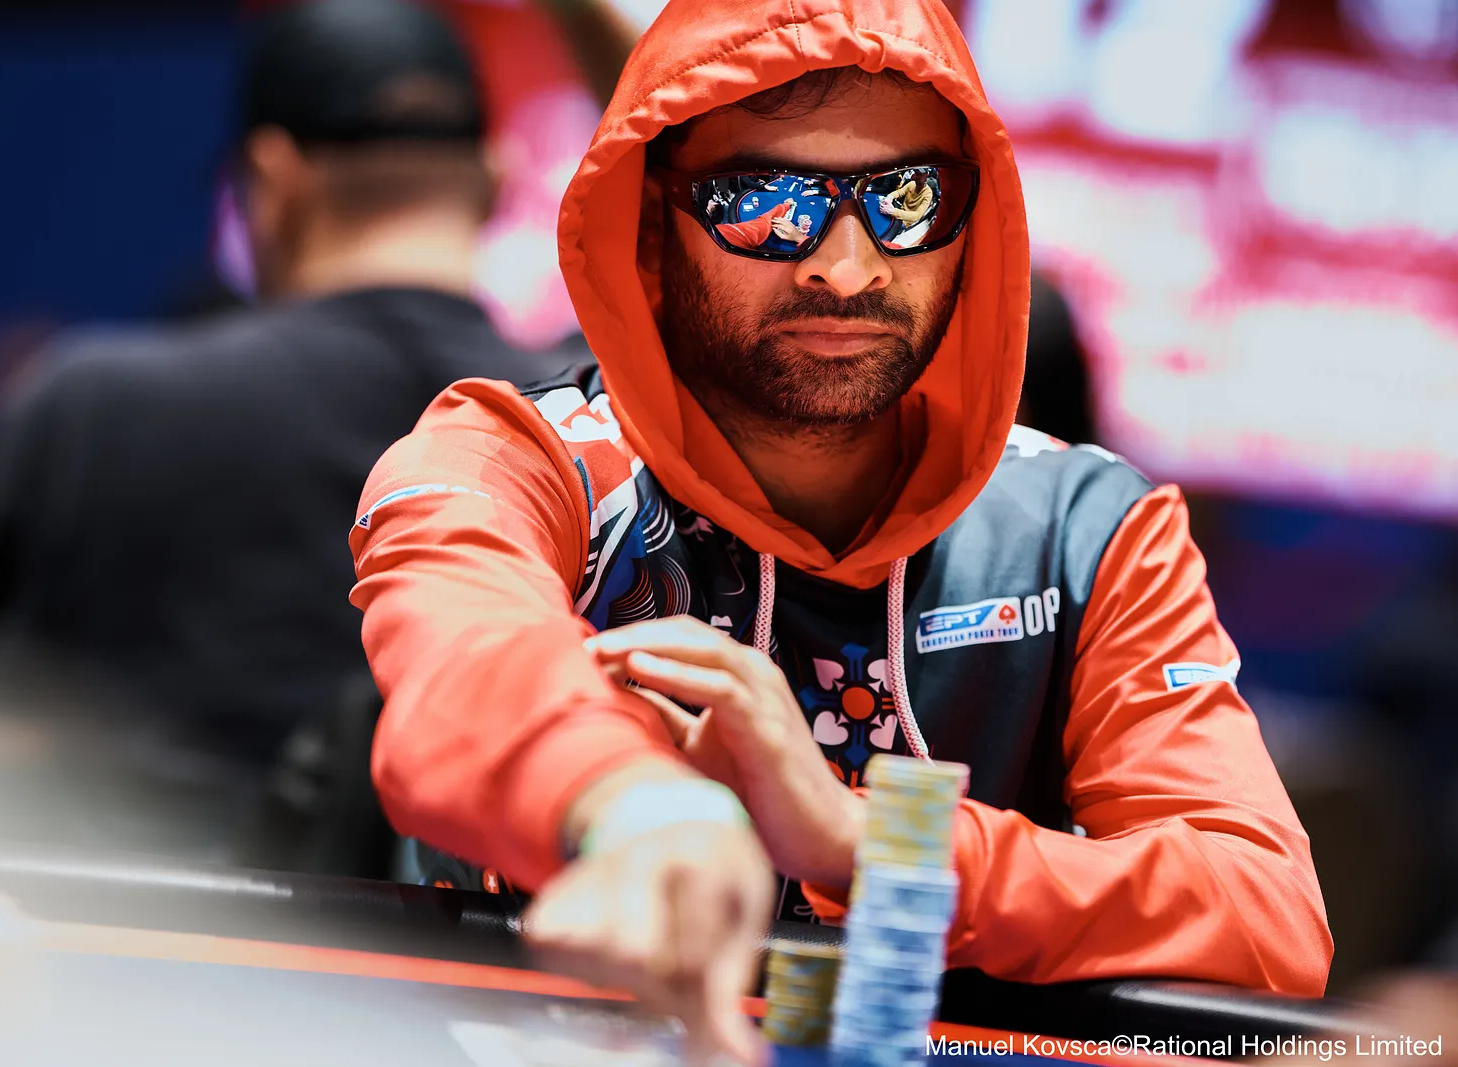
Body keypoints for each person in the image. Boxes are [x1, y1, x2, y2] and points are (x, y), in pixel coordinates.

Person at [349, 0, 1332, 1060]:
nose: (848, 267)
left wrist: (862, 838)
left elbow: (1264, 913)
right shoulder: (511, 460)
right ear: (650, 225)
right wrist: (640, 811)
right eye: (764, 203)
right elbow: (469, 667)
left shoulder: (1089, 526)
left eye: (909, 199)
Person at [0, 0, 555, 869]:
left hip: (131, 948)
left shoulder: (86, 407)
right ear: (496, 178)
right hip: (503, 948)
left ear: (273, 177)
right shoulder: (586, 423)